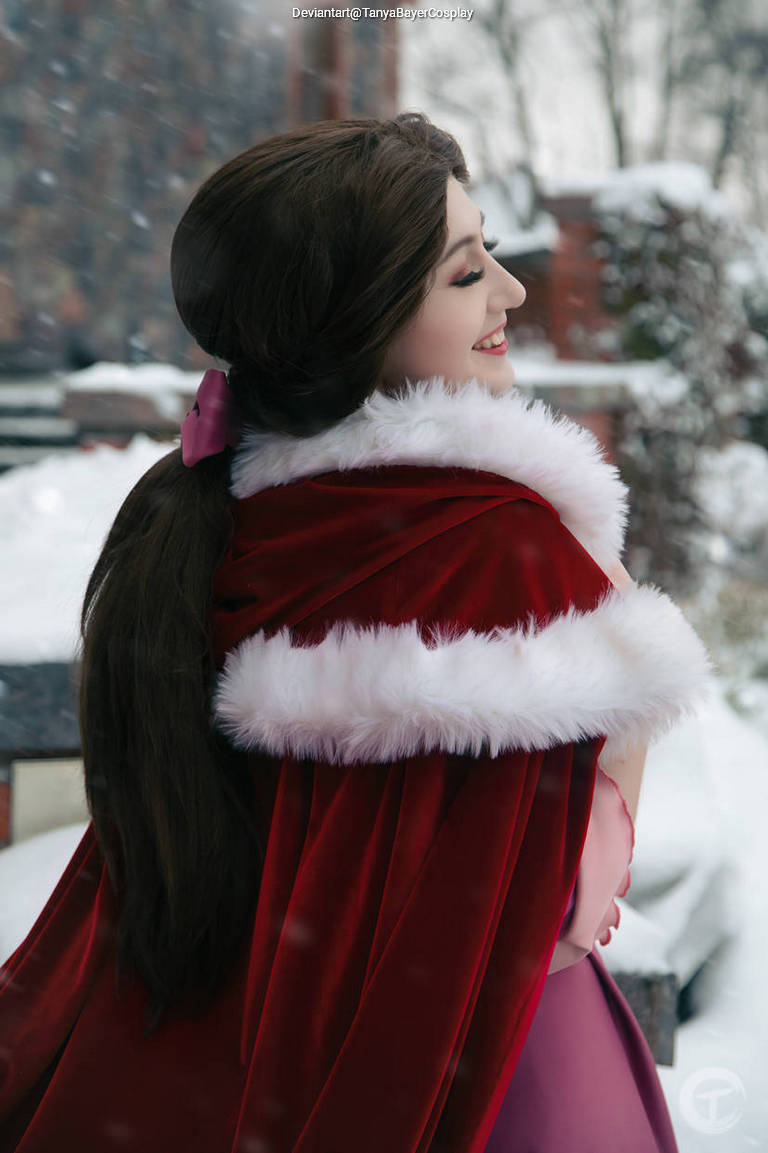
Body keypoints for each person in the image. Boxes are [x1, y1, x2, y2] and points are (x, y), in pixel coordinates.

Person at [0, 112, 711, 1153]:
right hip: (495, 1069)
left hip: (224, 1066)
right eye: (467, 275)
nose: (512, 295)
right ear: (361, 316)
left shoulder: (212, 520)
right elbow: (557, 903)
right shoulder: (495, 552)